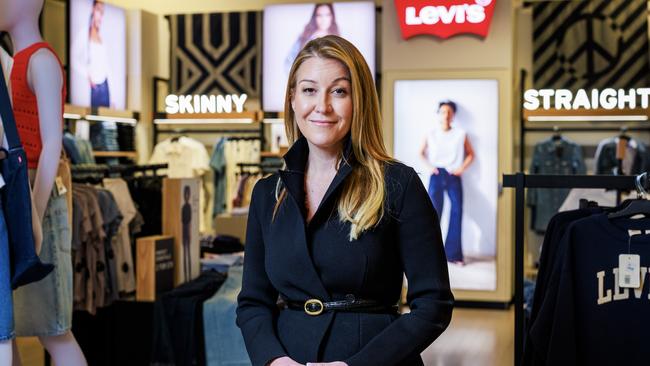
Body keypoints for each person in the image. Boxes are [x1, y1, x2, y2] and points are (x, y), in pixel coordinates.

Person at [236, 35, 453, 366]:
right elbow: (253, 301)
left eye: (338, 91)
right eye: (309, 90)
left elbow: (433, 305)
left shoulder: (399, 184)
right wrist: (274, 361)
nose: (322, 106)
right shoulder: (267, 194)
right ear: (292, 99)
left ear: (359, 100)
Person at [0, 0, 87, 364]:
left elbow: (53, 142)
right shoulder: (15, 60)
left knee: (52, 326)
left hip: (38, 191)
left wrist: (34, 213)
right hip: (19, 189)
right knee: (13, 324)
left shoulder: (41, 60)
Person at [419, 100, 475, 265]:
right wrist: (430, 167)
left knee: (456, 212)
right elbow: (421, 152)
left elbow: (471, 154)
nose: (446, 115)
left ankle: (454, 255)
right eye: (443, 112)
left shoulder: (461, 134)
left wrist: (461, 169)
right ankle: (430, 254)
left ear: (453, 115)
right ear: (439, 114)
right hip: (436, 174)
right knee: (433, 214)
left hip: (453, 174)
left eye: (449, 112)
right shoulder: (431, 133)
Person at [285, 4, 340, 74]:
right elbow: (288, 62)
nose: (323, 19)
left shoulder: (337, 38)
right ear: (314, 17)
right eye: (319, 15)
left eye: (327, 15)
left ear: (332, 17)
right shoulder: (305, 37)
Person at [88, 0, 110, 107]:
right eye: (98, 10)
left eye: (102, 12)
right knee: (95, 122)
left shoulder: (101, 35)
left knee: (107, 120)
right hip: (95, 85)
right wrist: (88, 76)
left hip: (104, 83)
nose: (100, 14)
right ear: (93, 9)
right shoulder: (86, 34)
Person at [182, 185, 192, 282]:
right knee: (185, 254)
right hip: (184, 231)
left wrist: (190, 233)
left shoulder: (188, 206)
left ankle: (189, 276)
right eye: (186, 194)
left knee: (188, 254)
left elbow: (189, 222)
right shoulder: (184, 207)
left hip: (187, 231)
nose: (187, 196)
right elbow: (183, 221)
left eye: (188, 194)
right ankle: (185, 276)